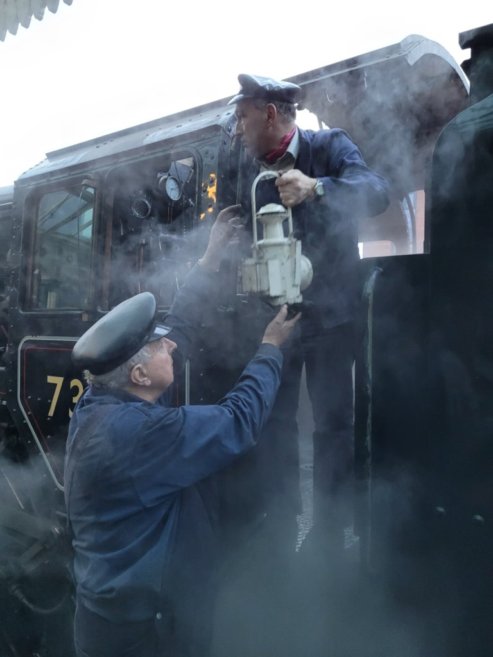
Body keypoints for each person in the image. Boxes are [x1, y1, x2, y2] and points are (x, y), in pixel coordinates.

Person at [63, 204, 300, 657]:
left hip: (120, 617)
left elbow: (182, 327)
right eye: (158, 346)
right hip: (144, 634)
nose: (169, 344)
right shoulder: (137, 434)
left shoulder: (110, 401)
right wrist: (270, 348)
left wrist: (208, 261)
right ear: (138, 375)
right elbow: (237, 421)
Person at [227, 74, 390, 555]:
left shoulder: (329, 146)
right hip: (279, 321)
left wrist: (318, 188)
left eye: (243, 117)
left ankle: (331, 528)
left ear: (270, 114)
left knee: (332, 425)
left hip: (334, 318)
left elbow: (376, 191)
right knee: (274, 423)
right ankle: (281, 521)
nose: (237, 129)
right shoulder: (251, 173)